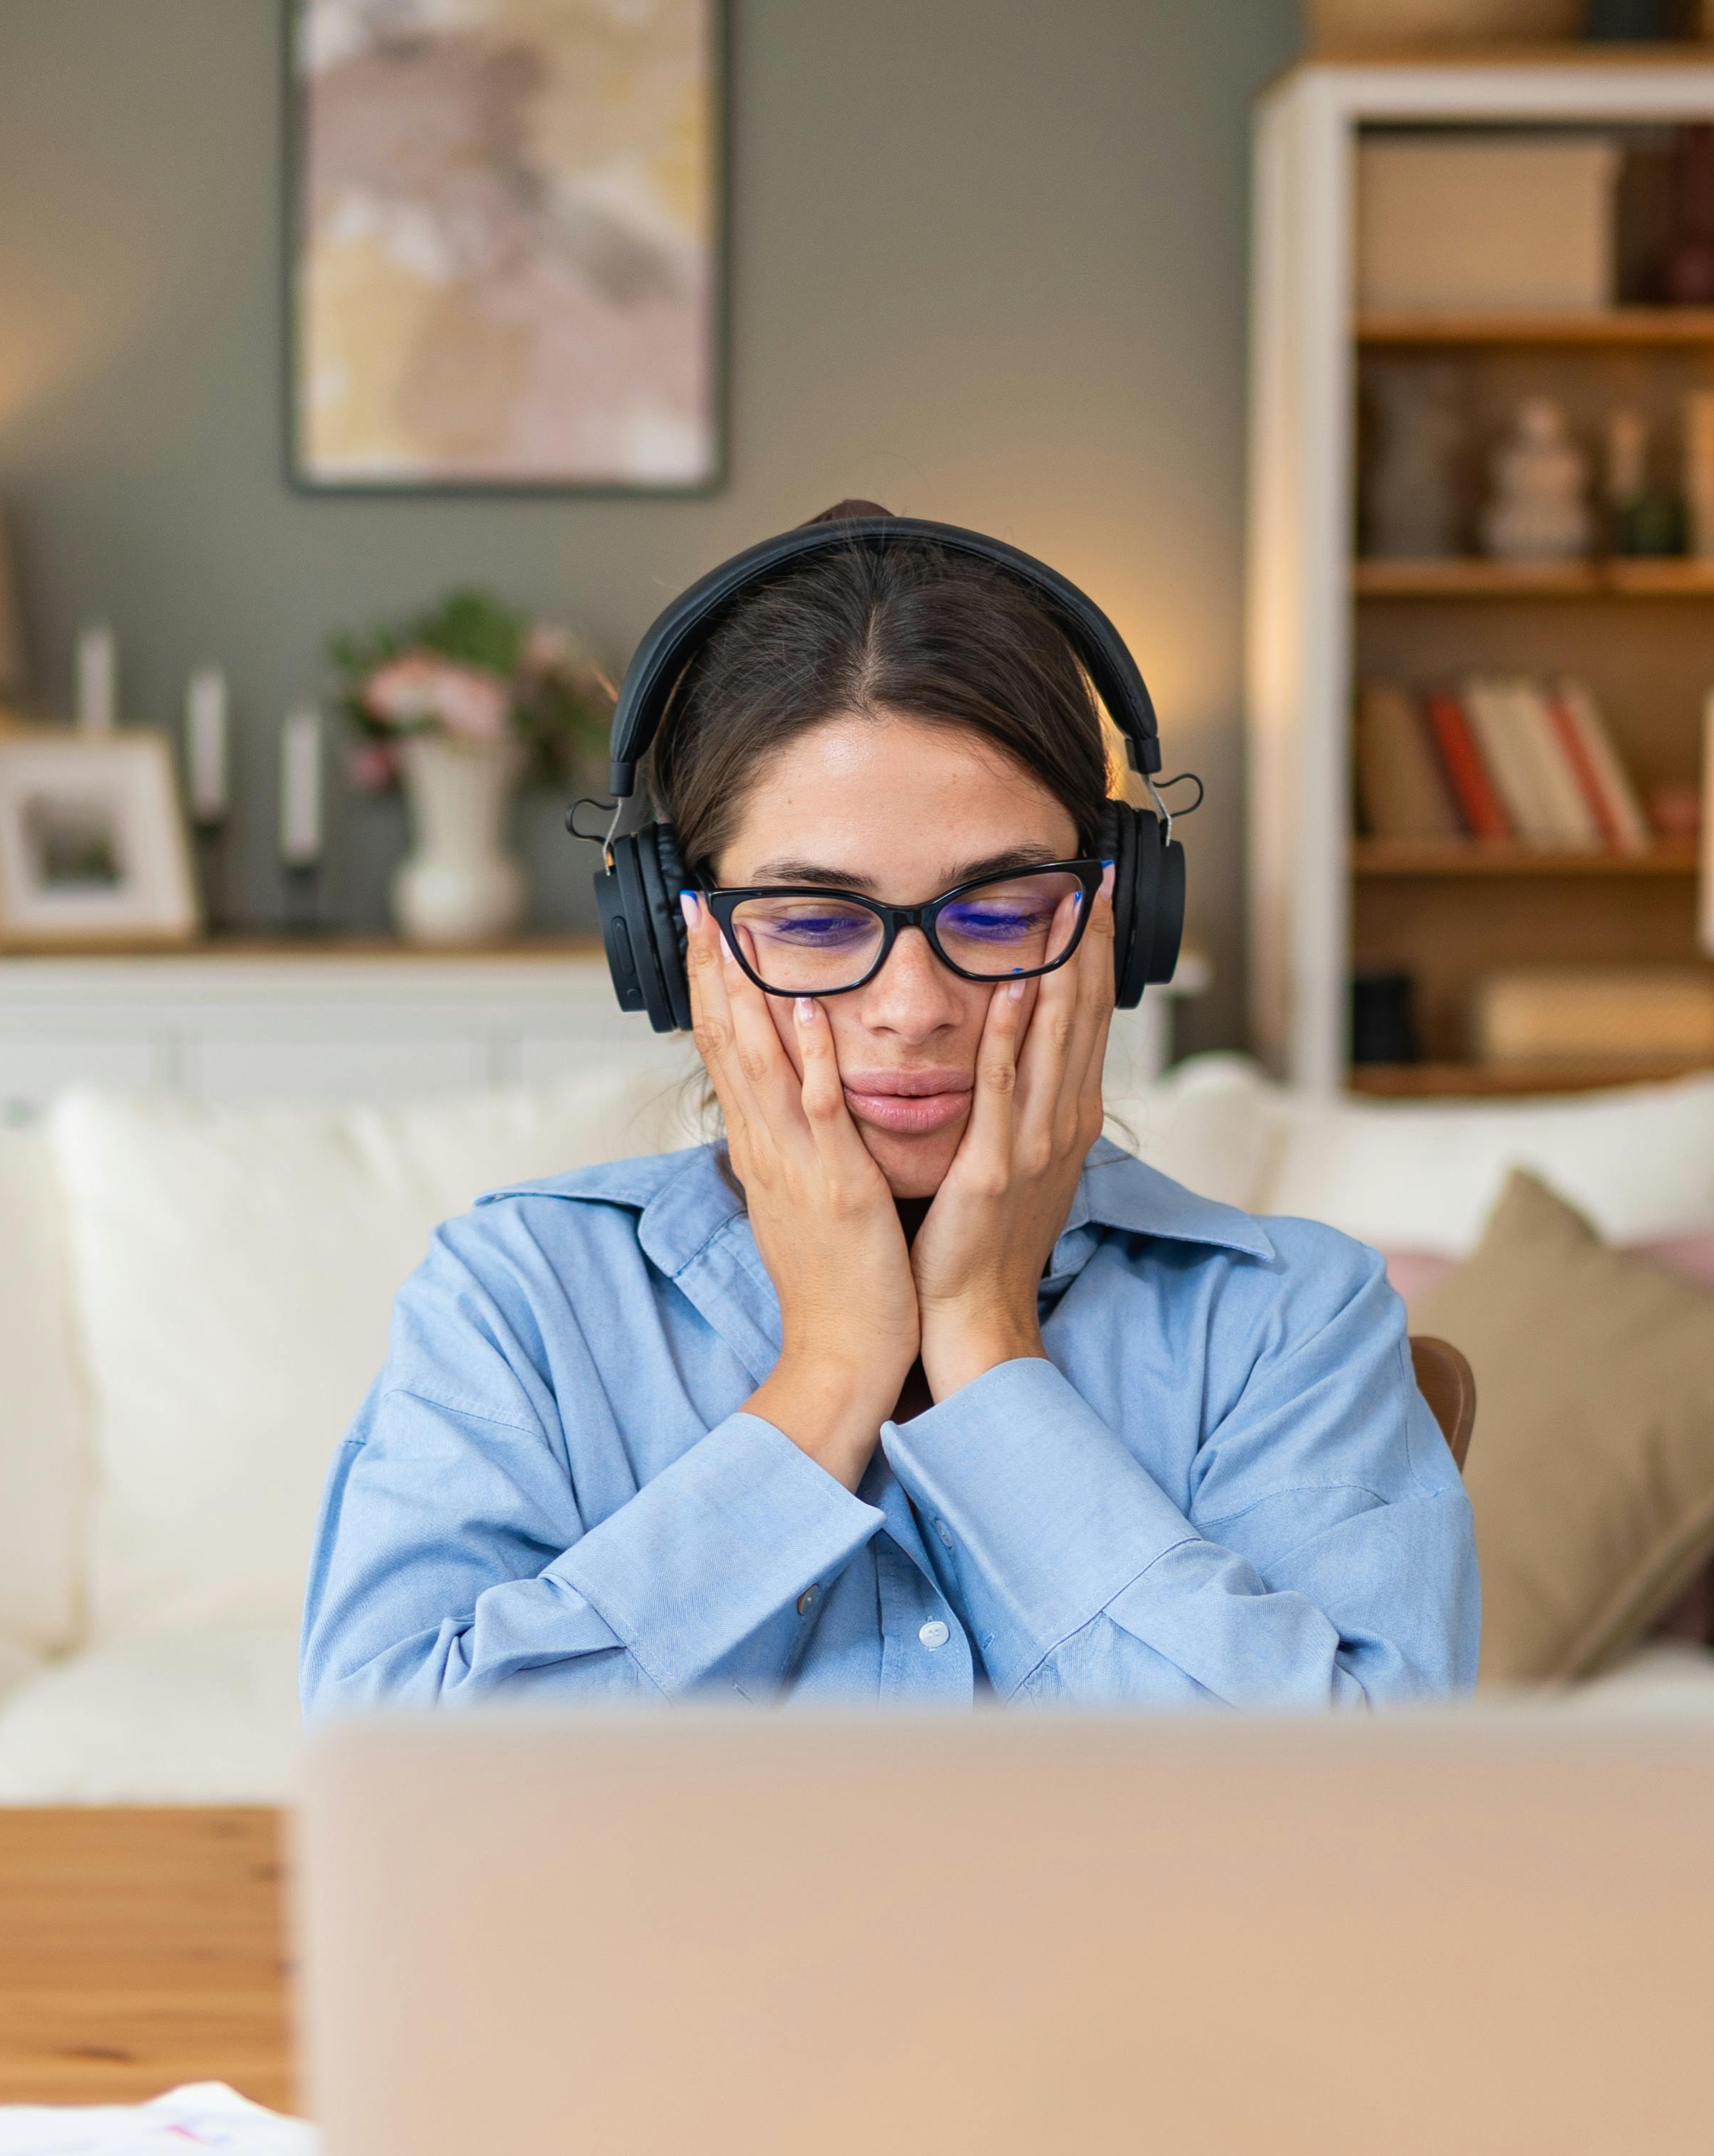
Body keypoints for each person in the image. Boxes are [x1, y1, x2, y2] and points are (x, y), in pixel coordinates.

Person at [300, 506, 1477, 1708]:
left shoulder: (1291, 1324)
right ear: (676, 949)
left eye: (1003, 907)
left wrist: (985, 1346)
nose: (912, 1007)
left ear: (1123, 925)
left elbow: (1353, 1824)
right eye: (813, 921)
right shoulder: (519, 1300)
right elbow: (399, 1787)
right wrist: (827, 1376)